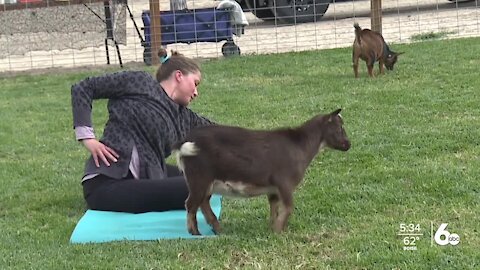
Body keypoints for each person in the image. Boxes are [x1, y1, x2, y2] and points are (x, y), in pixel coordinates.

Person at [71, 48, 214, 213]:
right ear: (179, 75)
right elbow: (83, 88)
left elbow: (215, 132)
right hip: (107, 184)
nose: (196, 92)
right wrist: (87, 138)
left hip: (146, 177)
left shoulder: (183, 116)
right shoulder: (140, 82)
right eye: (195, 83)